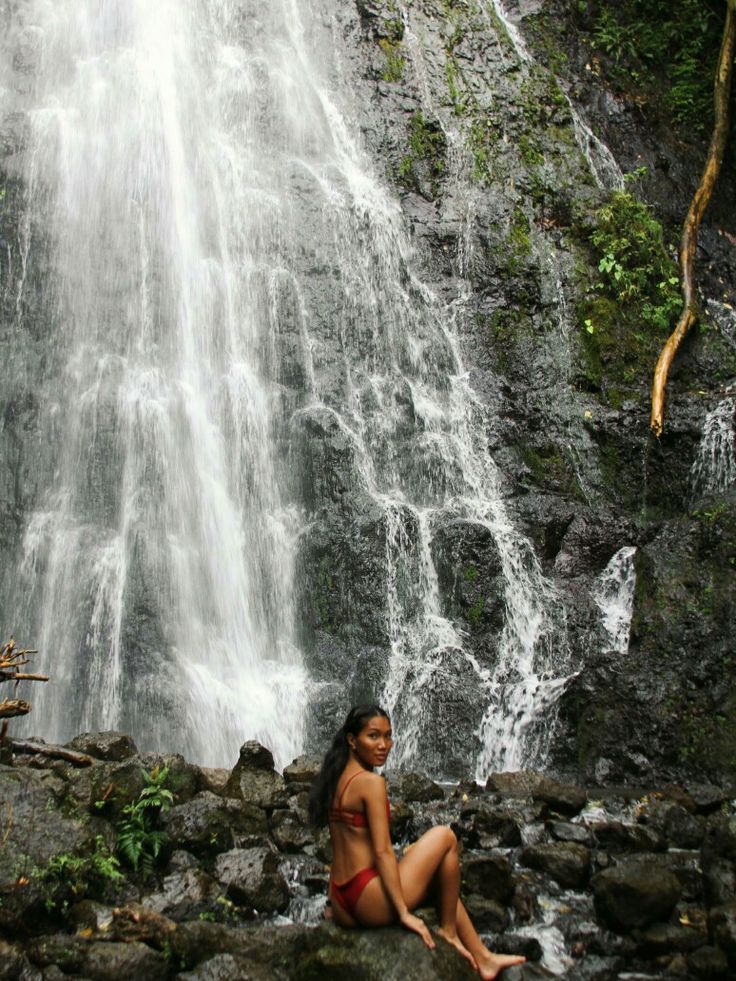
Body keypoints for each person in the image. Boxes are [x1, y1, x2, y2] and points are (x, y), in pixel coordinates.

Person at [308, 704, 527, 980]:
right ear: (352, 740)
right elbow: (383, 851)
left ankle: (484, 958)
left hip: (342, 900)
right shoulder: (370, 783)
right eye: (373, 736)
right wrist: (403, 914)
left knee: (442, 878)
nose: (383, 745)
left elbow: (341, 846)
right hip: (368, 901)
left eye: (388, 736)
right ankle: (450, 933)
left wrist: (332, 904)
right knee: (445, 837)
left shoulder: (335, 777)